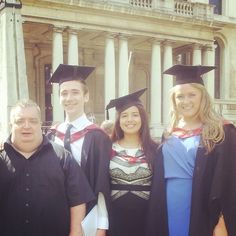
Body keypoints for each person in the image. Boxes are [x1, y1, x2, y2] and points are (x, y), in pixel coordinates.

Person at [146, 65, 236, 236]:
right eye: (180, 96)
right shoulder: (170, 132)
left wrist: (222, 221)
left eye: (191, 95)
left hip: (202, 209)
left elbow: (230, 181)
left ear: (203, 97)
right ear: (174, 100)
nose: (185, 101)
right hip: (167, 207)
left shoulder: (221, 131)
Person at [0, 99, 95, 236]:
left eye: (33, 121)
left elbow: (78, 201)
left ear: (40, 124)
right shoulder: (1, 159)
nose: (26, 126)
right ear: (11, 124)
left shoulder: (63, 157)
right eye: (20, 121)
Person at [49, 64, 112, 236]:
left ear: (86, 96)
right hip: (55, 215)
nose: (69, 98)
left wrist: (102, 225)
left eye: (75, 92)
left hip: (88, 218)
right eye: (64, 93)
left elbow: (102, 185)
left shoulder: (98, 137)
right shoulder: (51, 136)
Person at [106, 88, 158, 236]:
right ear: (118, 120)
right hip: (114, 220)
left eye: (135, 115)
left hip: (146, 219)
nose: (130, 120)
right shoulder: (107, 149)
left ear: (142, 118)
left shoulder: (155, 150)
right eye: (124, 116)